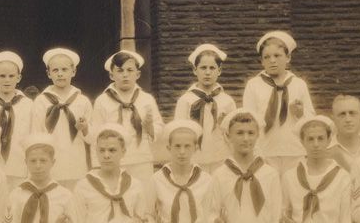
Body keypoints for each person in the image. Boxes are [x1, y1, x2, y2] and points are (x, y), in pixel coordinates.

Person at [212, 110, 284, 223]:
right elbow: (211, 212)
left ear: (258, 135)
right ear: (228, 136)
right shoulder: (219, 175)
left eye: (251, 133)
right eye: (239, 133)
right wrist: (214, 222)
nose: (246, 138)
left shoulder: (270, 174)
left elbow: (277, 219)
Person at [241, 30, 314, 172]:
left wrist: (301, 113)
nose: (272, 60)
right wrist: (254, 149)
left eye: (277, 55)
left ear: (288, 57)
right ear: (262, 61)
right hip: (264, 151)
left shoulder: (299, 84)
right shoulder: (253, 85)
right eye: (267, 57)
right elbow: (248, 120)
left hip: (294, 151)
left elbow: (311, 120)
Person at [92, 49, 162, 183]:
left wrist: (150, 127)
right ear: (111, 75)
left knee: (142, 192)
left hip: (141, 159)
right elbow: (96, 134)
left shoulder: (147, 99)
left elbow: (159, 128)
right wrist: (97, 164)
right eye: (120, 70)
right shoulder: (102, 101)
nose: (125, 75)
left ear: (137, 74)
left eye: (130, 70)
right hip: (113, 160)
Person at [30, 47, 93, 187]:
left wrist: (85, 128)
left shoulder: (83, 101)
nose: (60, 74)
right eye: (55, 70)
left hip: (76, 163)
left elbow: (92, 138)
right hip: (50, 163)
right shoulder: (41, 101)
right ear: (48, 74)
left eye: (64, 69)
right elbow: (36, 133)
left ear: (73, 71)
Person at [174, 44, 237, 174]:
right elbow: (178, 132)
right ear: (195, 70)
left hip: (221, 157)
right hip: (194, 159)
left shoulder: (227, 101)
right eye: (203, 68)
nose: (207, 72)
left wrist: (224, 125)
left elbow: (234, 134)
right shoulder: (185, 100)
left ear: (219, 71)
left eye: (212, 68)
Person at [0, 51, 33, 189]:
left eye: (11, 76)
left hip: (20, 166)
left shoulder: (28, 105)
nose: (7, 80)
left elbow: (32, 135)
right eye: (2, 76)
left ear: (19, 78)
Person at [328, 94, 360, 172]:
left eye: (352, 113)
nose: (348, 119)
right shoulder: (324, 151)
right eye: (342, 114)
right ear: (333, 119)